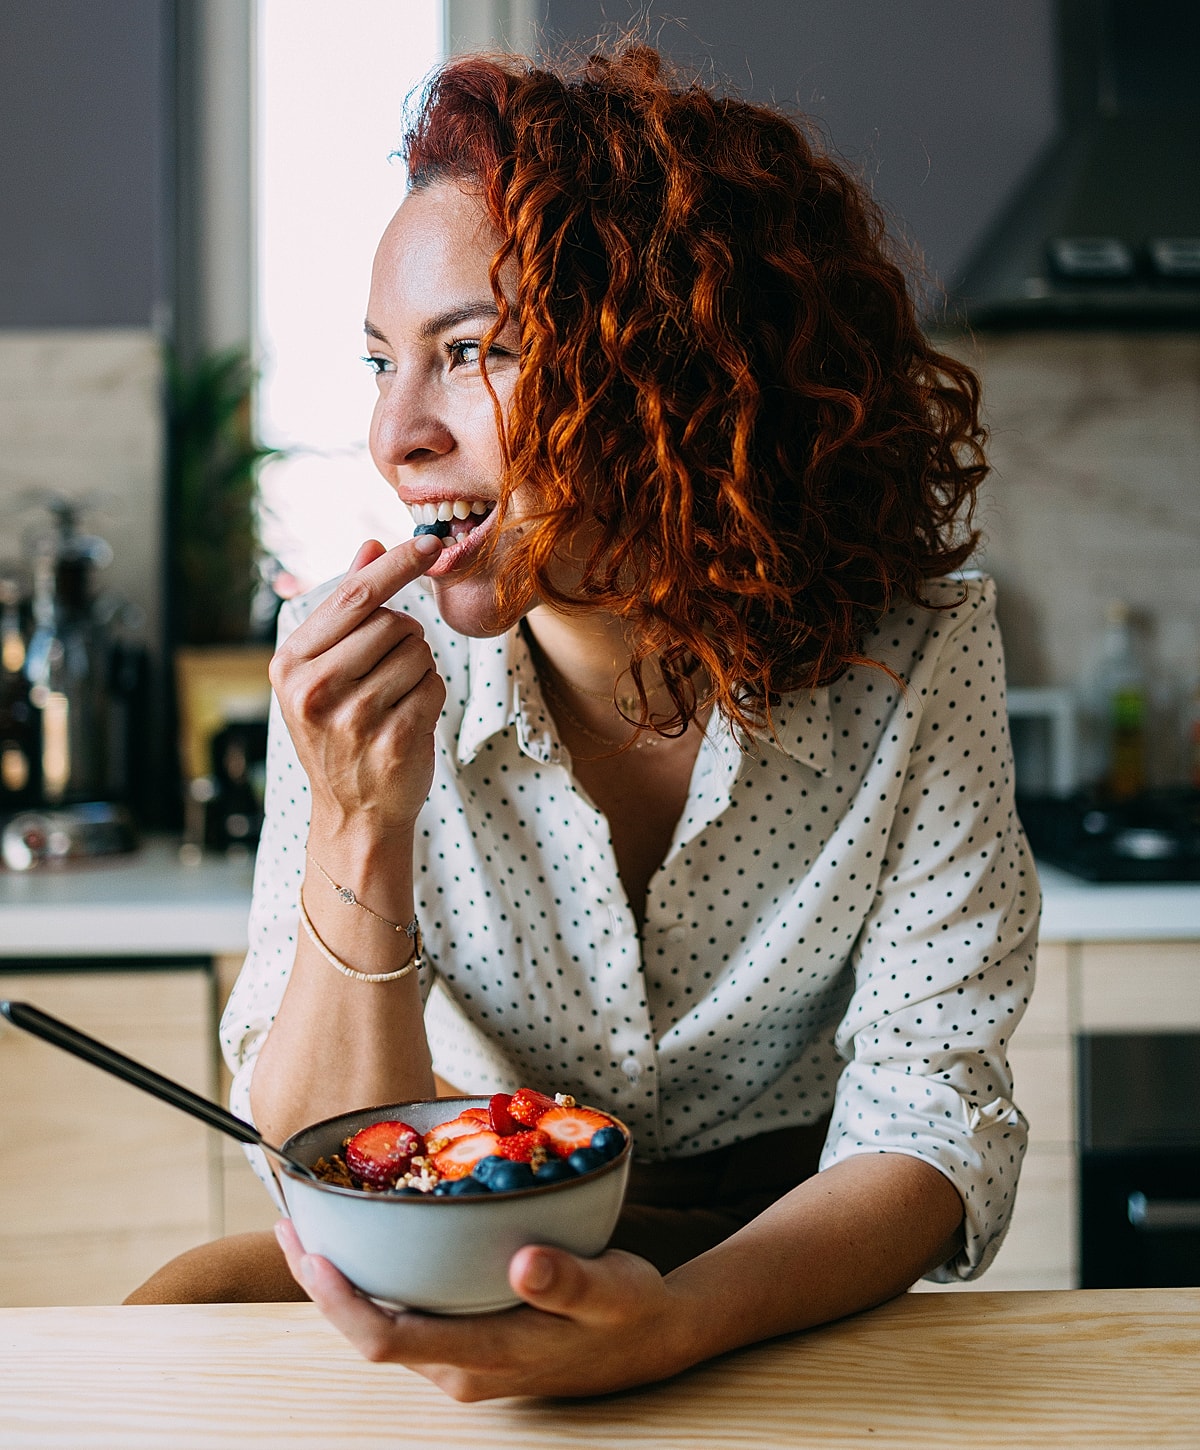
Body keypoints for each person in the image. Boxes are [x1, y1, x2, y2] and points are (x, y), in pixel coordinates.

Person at [129, 42, 1039, 1400]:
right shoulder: (360, 665)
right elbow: (323, 1143)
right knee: (173, 1307)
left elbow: (929, 1114)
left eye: (470, 351)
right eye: (383, 361)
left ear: (675, 368)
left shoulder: (917, 653)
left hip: (782, 1253)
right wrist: (362, 823)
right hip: (464, 1228)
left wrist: (675, 1319)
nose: (396, 434)